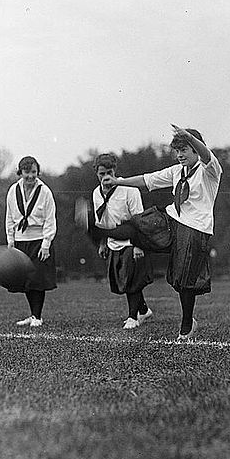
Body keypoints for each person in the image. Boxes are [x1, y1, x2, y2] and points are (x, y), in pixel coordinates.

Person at [107, 125, 222, 340]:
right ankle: (113, 238)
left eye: (184, 150)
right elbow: (147, 180)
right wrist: (119, 182)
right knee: (139, 224)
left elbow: (207, 156)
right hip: (172, 220)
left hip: (195, 228)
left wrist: (190, 137)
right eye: (177, 151)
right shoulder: (177, 171)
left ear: (196, 150)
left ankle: (187, 323)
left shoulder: (210, 171)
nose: (179, 155)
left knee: (183, 279)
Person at [92, 153, 154, 329]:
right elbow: (102, 222)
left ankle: (132, 317)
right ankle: (144, 311)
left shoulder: (129, 190)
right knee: (123, 281)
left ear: (115, 171)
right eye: (102, 174)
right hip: (113, 241)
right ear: (96, 173)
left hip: (131, 241)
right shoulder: (96, 194)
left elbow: (139, 220)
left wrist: (138, 246)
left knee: (131, 280)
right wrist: (103, 243)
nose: (106, 177)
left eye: (109, 173)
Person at [5, 156, 57, 327]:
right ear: (20, 172)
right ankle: (33, 314)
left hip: (39, 240)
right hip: (20, 240)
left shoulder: (45, 191)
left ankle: (37, 316)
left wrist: (46, 243)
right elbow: (9, 217)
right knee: (26, 281)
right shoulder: (13, 190)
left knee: (37, 279)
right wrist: (10, 240)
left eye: (33, 172)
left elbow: (50, 219)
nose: (30, 176)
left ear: (37, 172)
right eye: (27, 172)